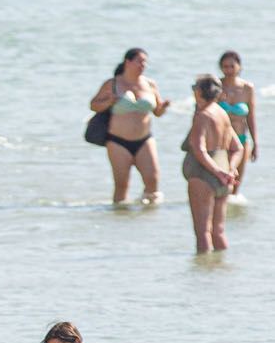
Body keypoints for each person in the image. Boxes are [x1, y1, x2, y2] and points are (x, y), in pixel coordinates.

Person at [89, 47, 169, 206]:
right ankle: (120, 221)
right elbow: (93, 105)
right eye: (139, 61)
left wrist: (164, 107)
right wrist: (108, 102)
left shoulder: (150, 84)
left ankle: (148, 217)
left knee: (152, 180)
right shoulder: (112, 84)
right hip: (118, 141)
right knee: (122, 184)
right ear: (128, 62)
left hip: (144, 139)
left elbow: (157, 111)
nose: (143, 65)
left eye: (145, 62)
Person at [182, 74, 239, 254]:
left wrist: (217, 172)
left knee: (202, 232)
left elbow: (199, 149)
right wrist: (230, 169)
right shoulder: (221, 112)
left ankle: (204, 278)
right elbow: (237, 147)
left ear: (199, 92)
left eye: (194, 87)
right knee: (218, 231)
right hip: (223, 172)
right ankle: (220, 272)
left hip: (204, 175)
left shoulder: (203, 116)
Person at [217, 49, 257, 195]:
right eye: (225, 66)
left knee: (236, 184)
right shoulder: (217, 86)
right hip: (221, 141)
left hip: (241, 139)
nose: (228, 70)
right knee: (222, 183)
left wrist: (255, 143)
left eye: (232, 66)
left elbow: (251, 116)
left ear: (239, 66)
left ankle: (233, 216)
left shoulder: (247, 88)